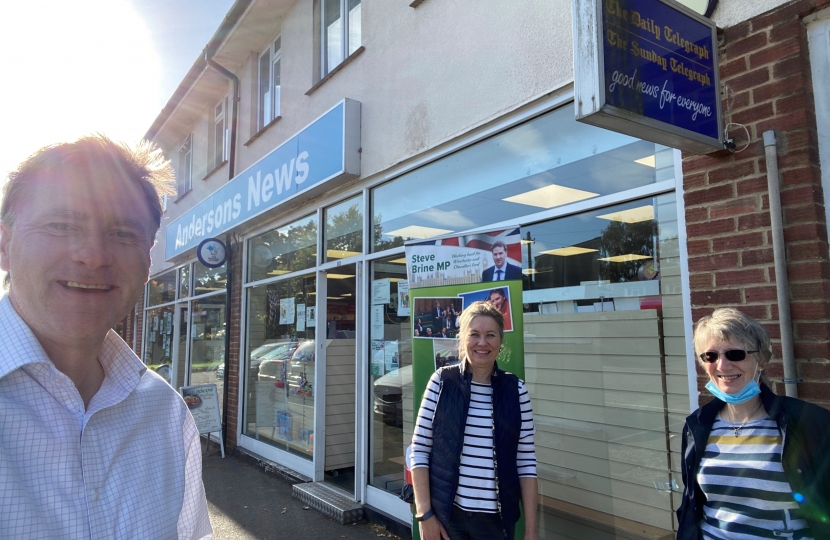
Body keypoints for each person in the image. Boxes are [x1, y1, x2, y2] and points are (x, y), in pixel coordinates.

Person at [0, 136, 212, 539]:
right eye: (61, 225)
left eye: (123, 233)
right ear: (5, 245)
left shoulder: (165, 413)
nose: (94, 256)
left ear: (147, 261)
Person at [677, 308, 830, 539]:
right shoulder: (697, 426)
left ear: (762, 360)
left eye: (735, 354)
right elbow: (692, 504)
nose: (722, 366)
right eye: (710, 356)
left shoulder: (806, 422)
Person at [411, 301, 538, 540]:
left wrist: (531, 531)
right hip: (447, 519)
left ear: (500, 341)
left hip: (496, 525)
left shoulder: (516, 390)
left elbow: (526, 462)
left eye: (490, 335)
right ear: (462, 339)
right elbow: (419, 449)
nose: (482, 342)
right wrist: (424, 514)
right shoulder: (441, 382)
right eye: (474, 334)